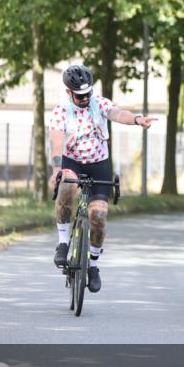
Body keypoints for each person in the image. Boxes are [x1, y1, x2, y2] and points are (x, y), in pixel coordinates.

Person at [48, 64, 156, 292]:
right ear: (68, 93)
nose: (85, 98)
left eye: (88, 93)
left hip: (99, 163)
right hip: (72, 162)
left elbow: (117, 114)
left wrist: (137, 120)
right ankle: (63, 243)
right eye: (80, 96)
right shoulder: (61, 111)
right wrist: (57, 166)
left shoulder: (99, 103)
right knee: (67, 187)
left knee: (98, 215)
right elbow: (56, 138)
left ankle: (94, 264)